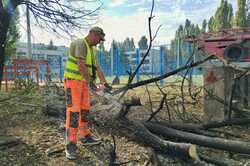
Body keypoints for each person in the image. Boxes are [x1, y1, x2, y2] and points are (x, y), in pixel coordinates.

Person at [63, 26, 112, 160]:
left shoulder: (92, 50)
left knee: (85, 110)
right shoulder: (80, 44)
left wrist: (104, 83)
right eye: (99, 39)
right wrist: (91, 82)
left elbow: (97, 67)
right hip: (72, 82)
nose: (99, 42)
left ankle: (85, 136)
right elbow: (80, 64)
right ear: (93, 34)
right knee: (73, 112)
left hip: (83, 83)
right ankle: (71, 144)